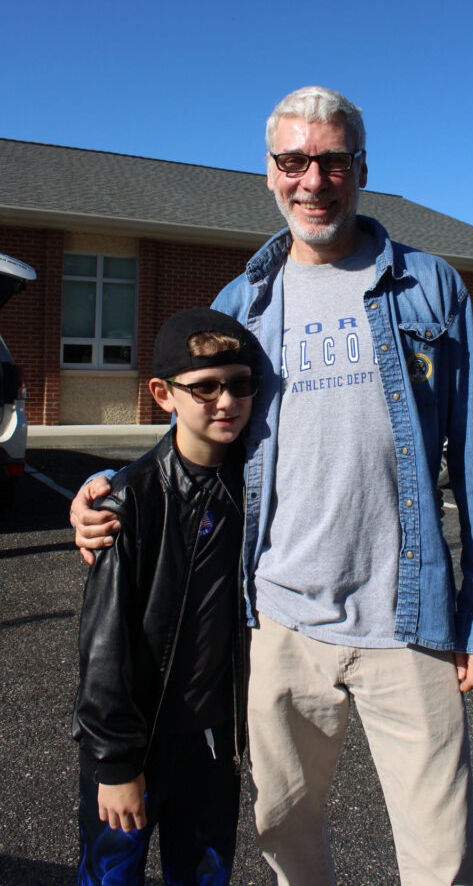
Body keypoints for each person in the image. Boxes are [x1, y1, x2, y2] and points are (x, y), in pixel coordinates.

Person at [71, 86, 473, 886]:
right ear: (270, 174)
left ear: (360, 169)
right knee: (283, 836)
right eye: (293, 161)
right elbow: (196, 431)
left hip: (406, 622)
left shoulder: (430, 285)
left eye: (331, 160)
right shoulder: (244, 302)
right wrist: (108, 483)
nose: (313, 179)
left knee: (444, 855)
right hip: (275, 623)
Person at [73, 307, 259, 885]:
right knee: (111, 876)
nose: (226, 402)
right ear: (163, 394)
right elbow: (103, 648)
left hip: (211, 745)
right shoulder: (129, 503)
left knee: (203, 875)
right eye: (204, 388)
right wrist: (115, 764)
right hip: (138, 745)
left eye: (239, 385)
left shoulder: (257, 487)